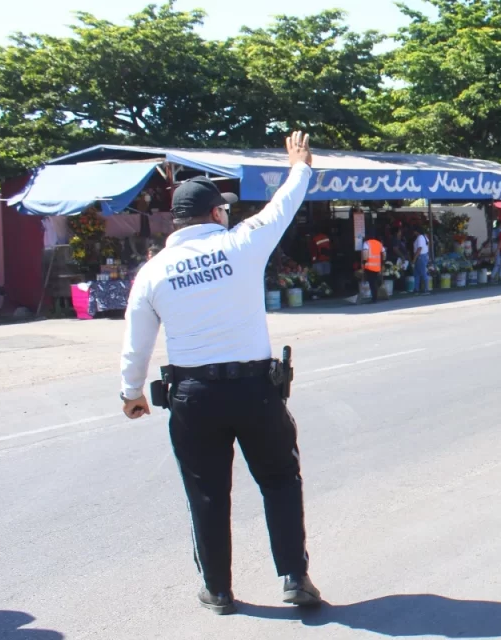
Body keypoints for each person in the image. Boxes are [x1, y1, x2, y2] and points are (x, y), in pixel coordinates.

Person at [118, 131, 322, 615]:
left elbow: (136, 340)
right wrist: (301, 166)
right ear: (214, 214)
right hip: (255, 390)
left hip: (192, 396)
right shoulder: (242, 244)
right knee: (279, 480)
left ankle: (219, 589)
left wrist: (131, 392)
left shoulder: (153, 271)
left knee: (207, 494)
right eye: (223, 209)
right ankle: (294, 578)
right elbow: (283, 205)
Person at [362, 231, 384, 303]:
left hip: (369, 266)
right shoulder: (379, 243)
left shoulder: (366, 243)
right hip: (377, 266)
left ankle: (374, 298)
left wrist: (364, 263)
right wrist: (382, 262)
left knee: (372, 283)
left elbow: (365, 255)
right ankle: (376, 296)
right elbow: (384, 254)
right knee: (375, 281)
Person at [412, 229, 431, 295]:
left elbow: (419, 248)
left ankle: (426, 289)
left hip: (420, 256)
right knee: (416, 273)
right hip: (424, 255)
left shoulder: (420, 237)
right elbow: (428, 245)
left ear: (417, 231)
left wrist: (414, 259)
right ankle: (416, 289)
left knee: (423, 273)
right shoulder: (424, 236)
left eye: (414, 231)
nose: (413, 232)